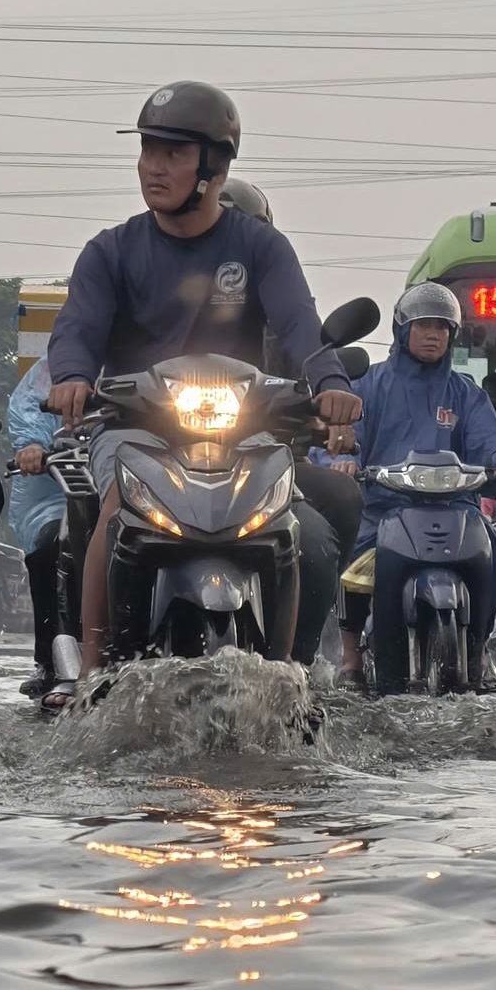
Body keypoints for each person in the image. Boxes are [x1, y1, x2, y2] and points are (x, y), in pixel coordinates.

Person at [45, 82, 363, 681]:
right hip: (137, 430)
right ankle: (89, 670)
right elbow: (78, 328)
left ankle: (292, 681)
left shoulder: (261, 247)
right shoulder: (110, 251)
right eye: (147, 150)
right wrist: (73, 378)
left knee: (311, 536)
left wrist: (329, 383)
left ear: (213, 167)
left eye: (172, 153)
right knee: (116, 509)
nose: (153, 167)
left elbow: (301, 326)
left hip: (244, 433)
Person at [334, 283, 496, 691]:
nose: (433, 334)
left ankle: (481, 658)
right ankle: (350, 658)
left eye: (442, 327)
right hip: (384, 508)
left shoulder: (465, 393)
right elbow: (346, 435)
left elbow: (489, 440)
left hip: (458, 508)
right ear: (403, 331)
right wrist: (345, 461)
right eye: (423, 325)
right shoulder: (370, 385)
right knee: (349, 563)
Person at [221, 174, 362, 661]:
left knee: (322, 534)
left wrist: (329, 407)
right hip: (164, 461)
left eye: (244, 232)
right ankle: (93, 660)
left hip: (264, 466)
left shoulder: (286, 322)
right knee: (100, 518)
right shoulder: (165, 300)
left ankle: (297, 666)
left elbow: (313, 361)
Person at [4, 360, 70, 696]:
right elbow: (30, 403)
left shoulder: (147, 357)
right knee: (49, 551)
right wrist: (32, 446)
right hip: (60, 491)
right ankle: (48, 661)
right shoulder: (54, 369)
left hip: (139, 481)